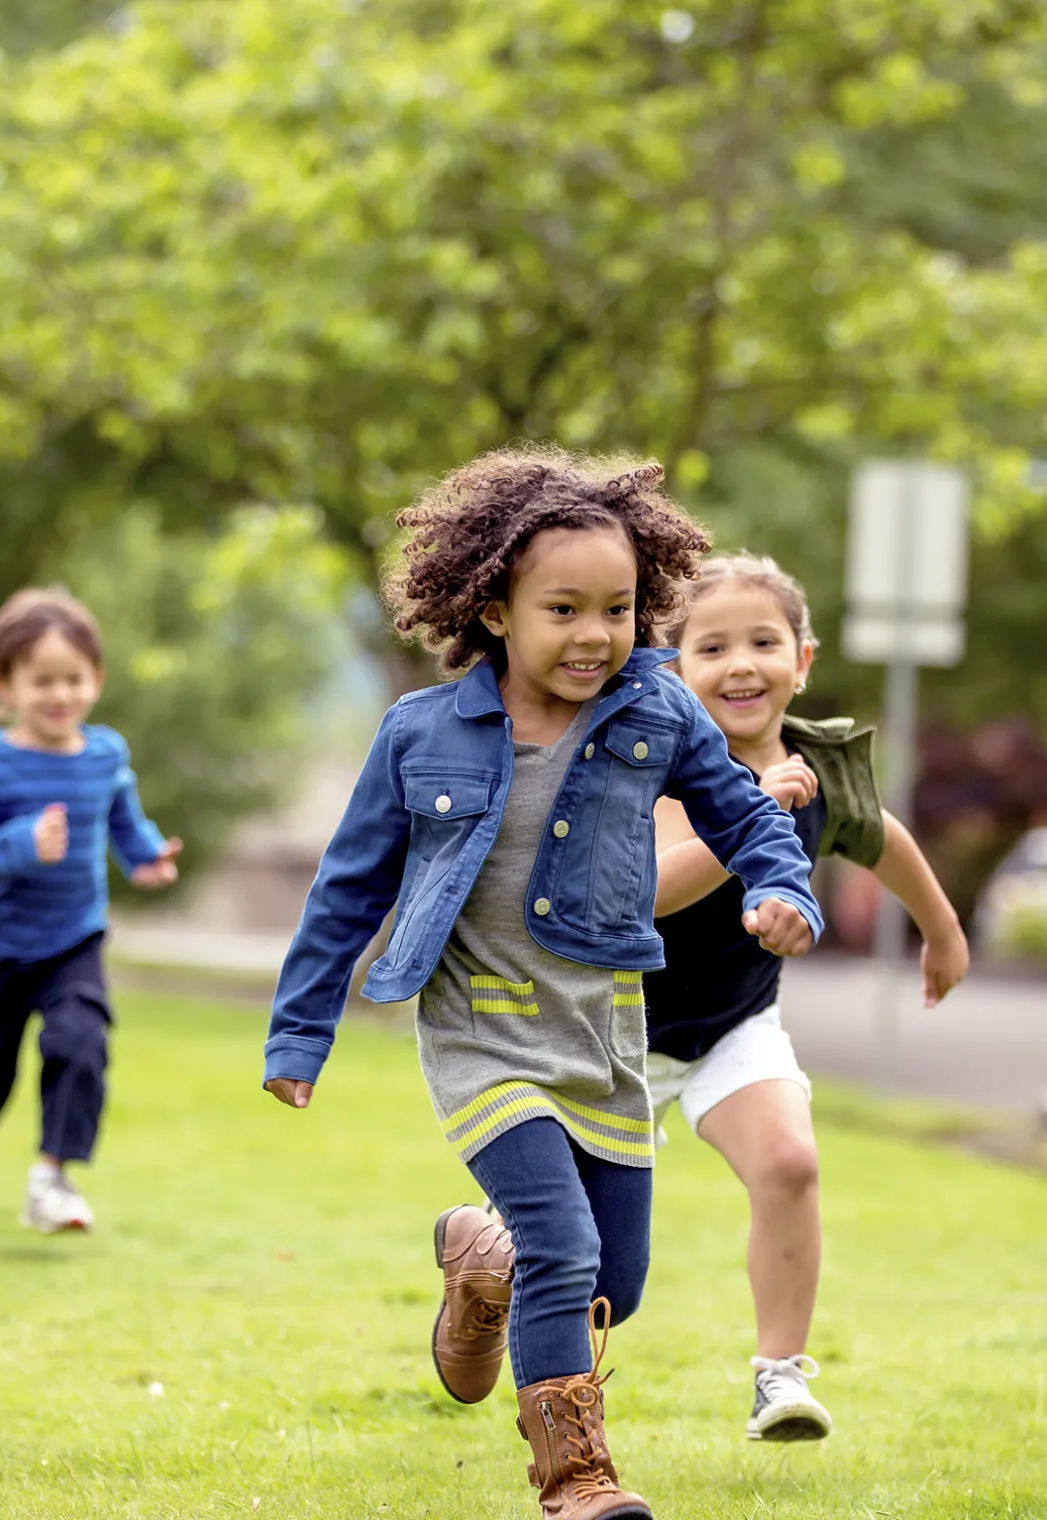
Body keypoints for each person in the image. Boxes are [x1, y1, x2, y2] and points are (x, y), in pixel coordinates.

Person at [261, 448, 824, 1520]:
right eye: (562, 607)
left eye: (617, 609)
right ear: (493, 607)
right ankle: (575, 1476)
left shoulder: (657, 713)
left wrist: (779, 884)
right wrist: (300, 1036)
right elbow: (346, 889)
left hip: (603, 1031)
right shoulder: (419, 733)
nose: (594, 635)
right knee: (565, 1244)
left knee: (614, 1279)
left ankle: (483, 1260)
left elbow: (749, 811)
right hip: (479, 1033)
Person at [644, 553, 970, 1442]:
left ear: (803, 660)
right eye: (710, 647)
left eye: (762, 641)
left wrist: (940, 930)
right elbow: (657, 889)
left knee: (790, 1164)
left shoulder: (819, 769)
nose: (739, 663)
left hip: (730, 1028)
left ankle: (778, 1376)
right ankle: (487, 1261)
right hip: (610, 1034)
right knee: (586, 1247)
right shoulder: (657, 760)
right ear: (674, 669)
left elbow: (881, 837)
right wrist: (749, 812)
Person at [0, 589, 182, 1235]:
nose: (59, 694)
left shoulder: (105, 754)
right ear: (4, 685)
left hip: (73, 939)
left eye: (73, 679)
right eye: (42, 681)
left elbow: (121, 817)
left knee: (81, 1041)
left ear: (96, 680)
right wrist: (22, 844)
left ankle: (51, 1178)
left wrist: (143, 856)